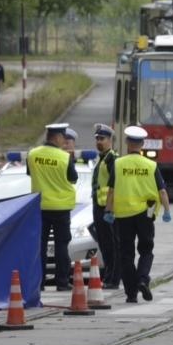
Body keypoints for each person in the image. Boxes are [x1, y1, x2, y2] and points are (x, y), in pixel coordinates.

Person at [103, 125, 172, 304]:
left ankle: (131, 294)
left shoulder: (118, 164)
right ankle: (143, 279)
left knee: (126, 254)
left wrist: (109, 211)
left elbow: (111, 191)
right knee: (146, 250)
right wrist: (167, 211)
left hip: (123, 215)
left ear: (127, 142)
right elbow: (162, 191)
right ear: (142, 144)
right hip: (145, 215)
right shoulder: (151, 165)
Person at [27, 122, 78, 291]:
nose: (64, 141)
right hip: (61, 208)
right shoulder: (64, 157)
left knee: (39, 246)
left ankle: (39, 283)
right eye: (63, 137)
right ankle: (62, 282)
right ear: (56, 137)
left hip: (40, 207)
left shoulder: (32, 155)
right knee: (61, 245)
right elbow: (73, 178)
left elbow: (30, 173)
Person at [90, 123, 120, 289]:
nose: (99, 142)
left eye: (102, 139)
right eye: (97, 139)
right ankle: (109, 276)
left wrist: (110, 209)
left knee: (111, 245)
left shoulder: (111, 159)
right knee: (104, 244)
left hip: (107, 209)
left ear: (110, 140)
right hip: (99, 206)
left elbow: (114, 186)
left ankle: (113, 278)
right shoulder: (102, 158)